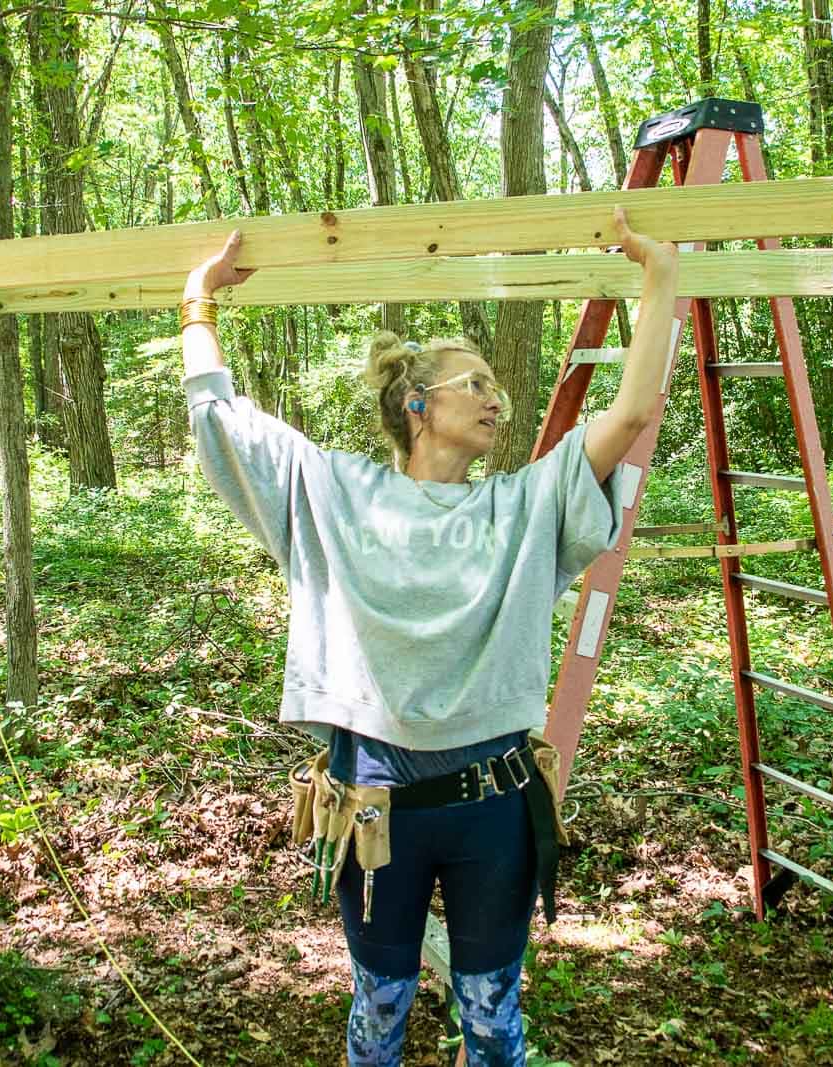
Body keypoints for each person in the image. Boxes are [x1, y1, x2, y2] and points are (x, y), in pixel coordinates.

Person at [180, 208, 679, 1066]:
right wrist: (197, 305)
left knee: (493, 1016)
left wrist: (661, 276)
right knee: (379, 1013)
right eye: (473, 382)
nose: (496, 397)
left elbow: (633, 411)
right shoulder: (332, 491)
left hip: (495, 806)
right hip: (375, 806)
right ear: (418, 402)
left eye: (495, 385)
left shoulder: (523, 503)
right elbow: (220, 422)